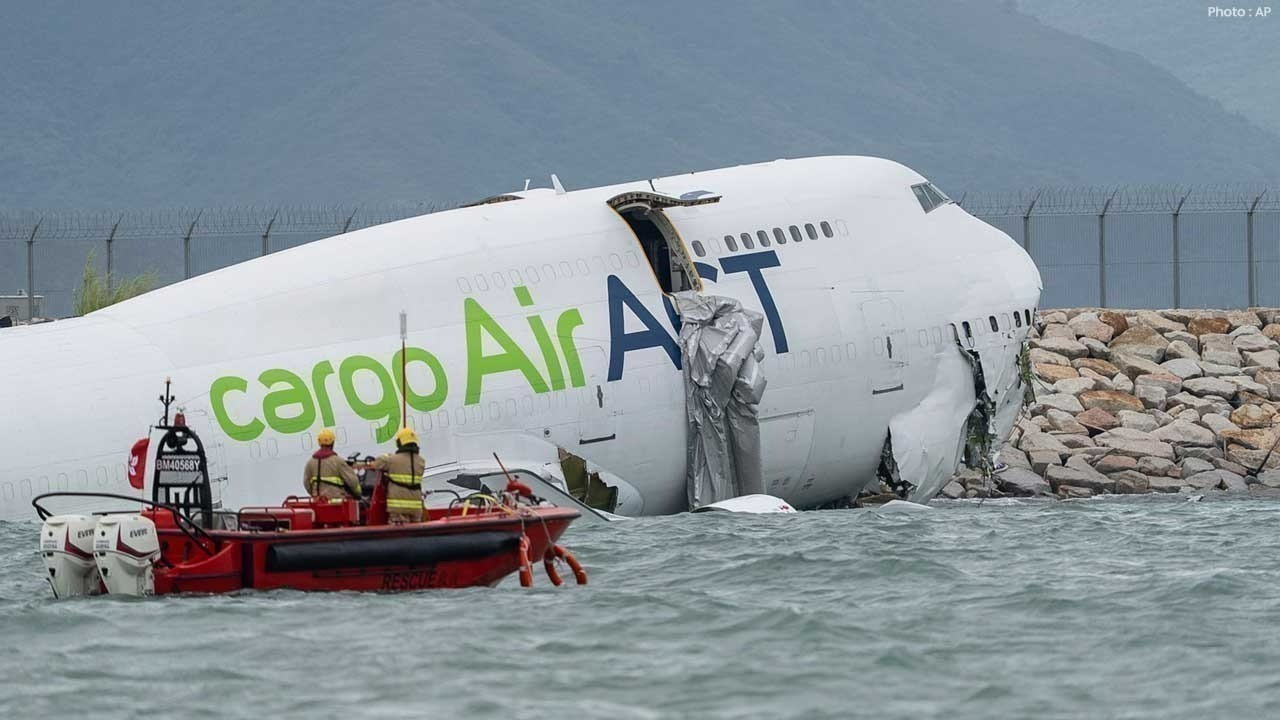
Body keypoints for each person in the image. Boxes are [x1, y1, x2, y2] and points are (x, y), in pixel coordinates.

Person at [374, 427, 425, 523]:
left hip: (398, 508)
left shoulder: (392, 460)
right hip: (416, 507)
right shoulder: (421, 462)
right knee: (415, 529)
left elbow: (377, 463)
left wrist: (387, 455)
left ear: (399, 443)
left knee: (400, 530)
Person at [303, 429, 361, 501]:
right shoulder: (338, 461)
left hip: (317, 502)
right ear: (333, 443)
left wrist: (314, 495)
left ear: (319, 443)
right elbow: (353, 482)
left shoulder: (310, 462)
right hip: (338, 503)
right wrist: (358, 494)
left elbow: (306, 483)